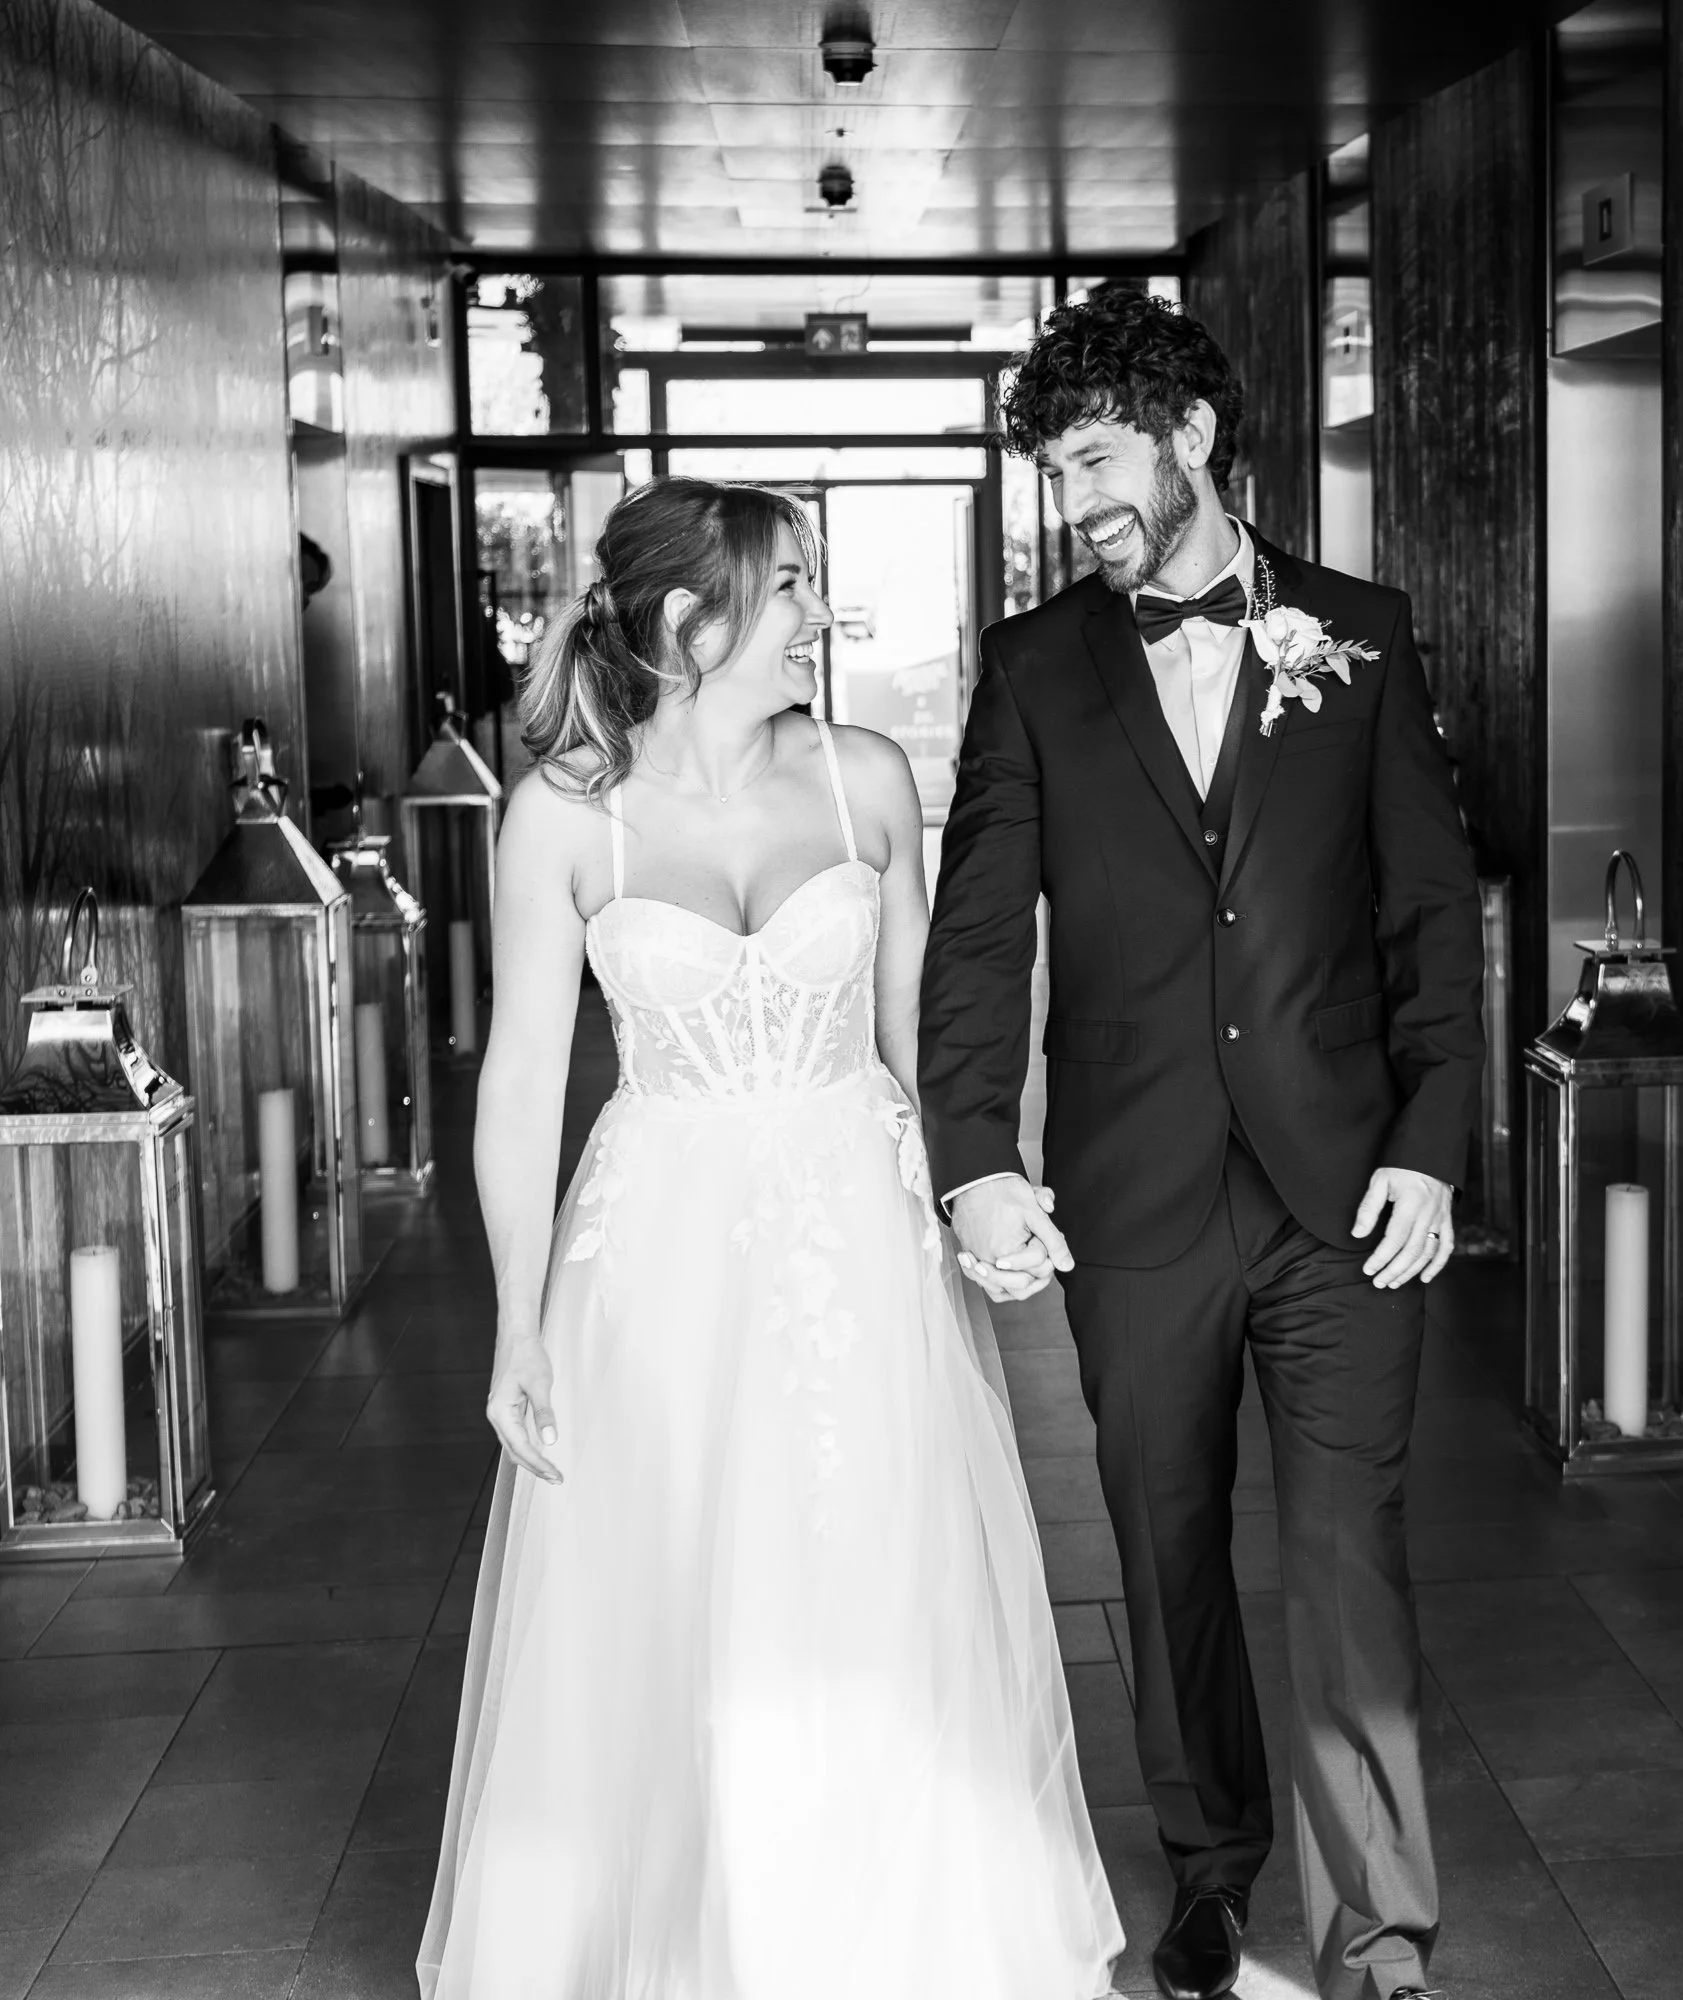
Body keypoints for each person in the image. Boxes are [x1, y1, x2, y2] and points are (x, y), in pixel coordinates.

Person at [418, 476, 1122, 2000]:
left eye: (812, 584)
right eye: (789, 586)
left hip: (850, 1237)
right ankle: (693, 1934)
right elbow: (523, 1080)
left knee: (867, 1566)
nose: (817, 614)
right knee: (676, 1593)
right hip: (656, 1250)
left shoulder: (865, 776)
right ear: (689, 620)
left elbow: (931, 1036)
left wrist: (973, 1194)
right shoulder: (562, 816)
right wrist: (517, 1325)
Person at [919, 290, 1483, 2000]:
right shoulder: (1031, 668)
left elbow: (1426, 916)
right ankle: (1211, 1879)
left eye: (1093, 458)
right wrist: (974, 1152)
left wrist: (1433, 1140)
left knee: (1343, 1556)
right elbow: (973, 937)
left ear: (1193, 440)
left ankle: (1379, 1937)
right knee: (1163, 1555)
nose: (1071, 498)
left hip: (1340, 1191)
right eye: (1051, 469)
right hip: (1133, 1187)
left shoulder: (1359, 633)